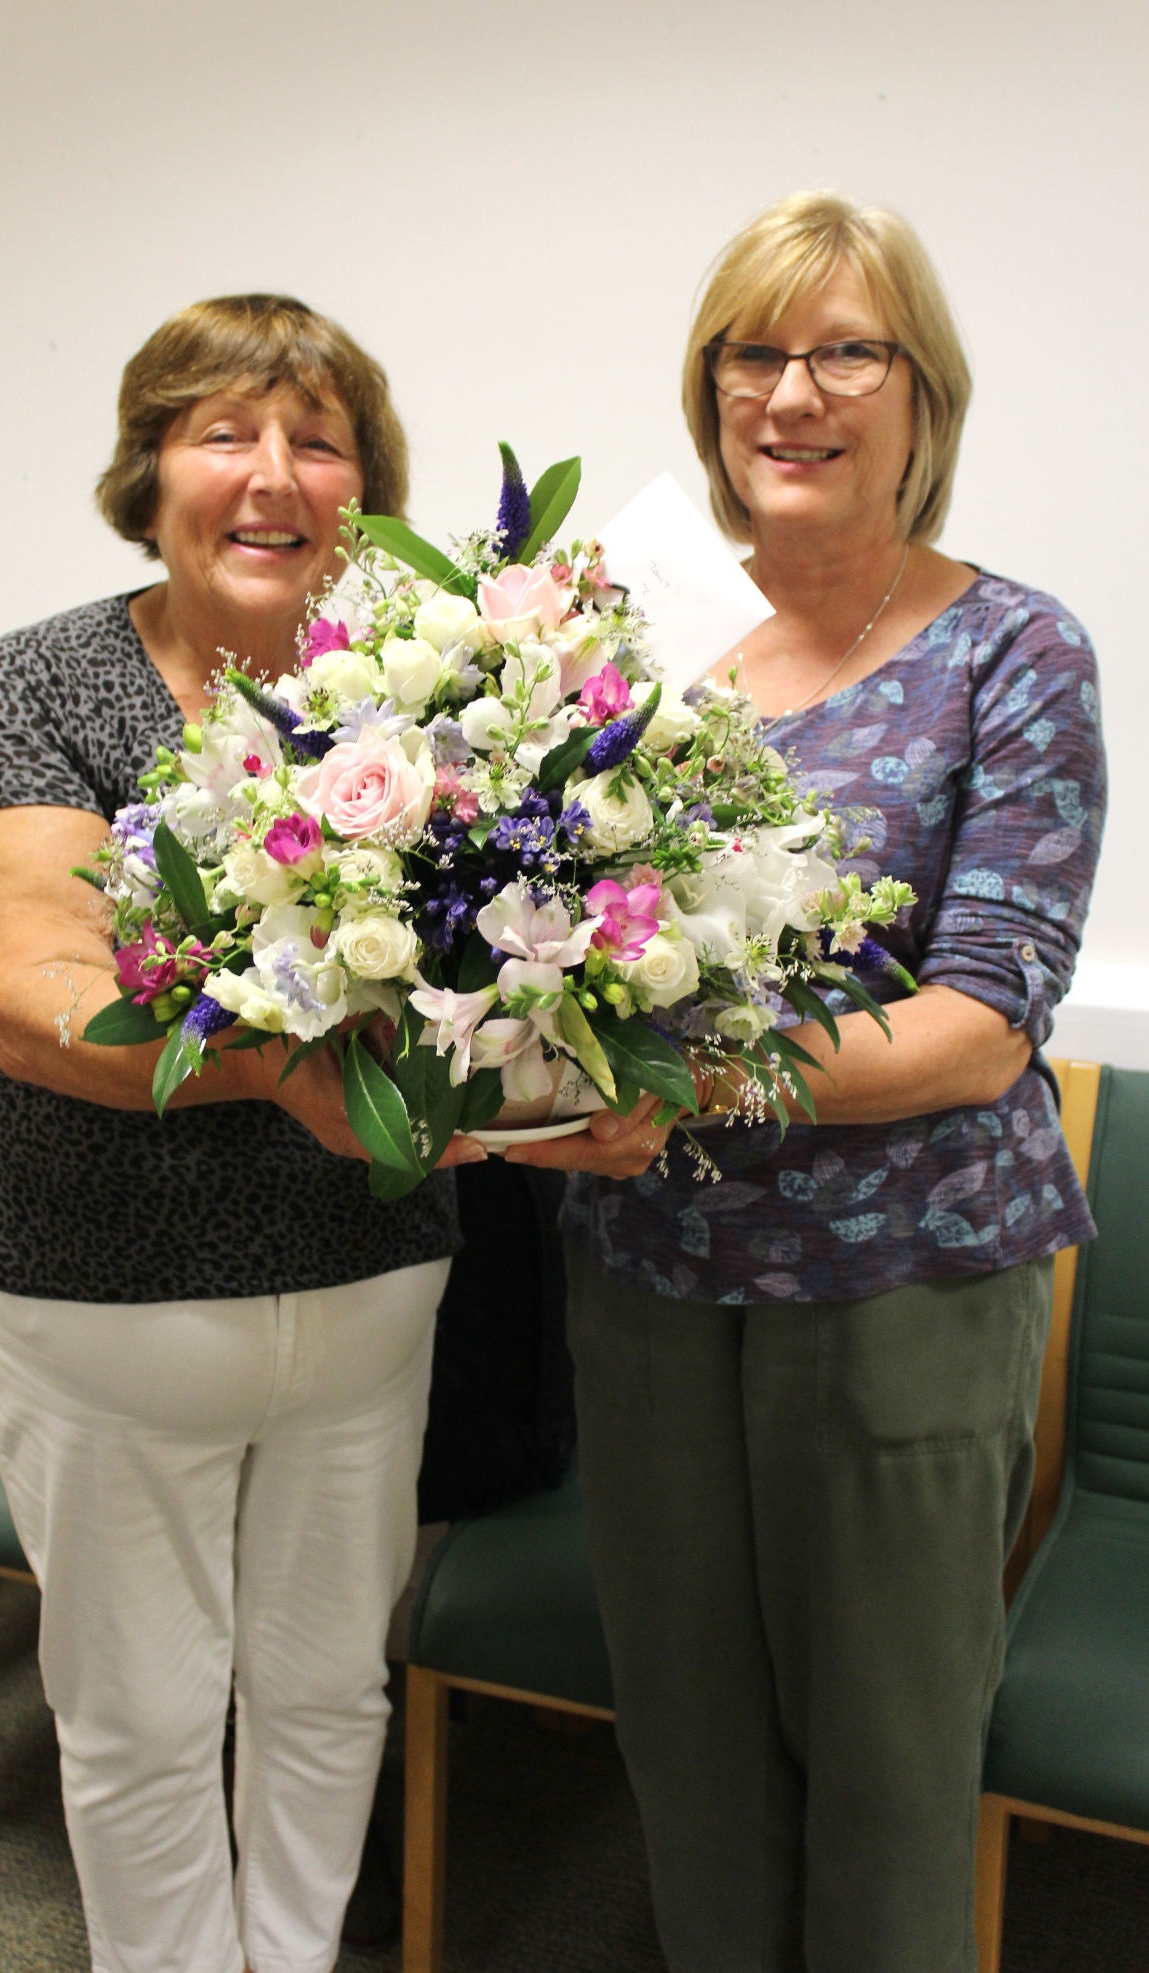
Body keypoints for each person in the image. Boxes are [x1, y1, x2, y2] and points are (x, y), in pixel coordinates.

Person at [511, 193, 1106, 1971]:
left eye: (846, 350)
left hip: (902, 1279)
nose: (793, 392)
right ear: (707, 394)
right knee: (685, 1750)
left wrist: (684, 1086)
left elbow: (985, 1020)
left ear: (923, 395)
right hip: (645, 1277)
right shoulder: (628, 651)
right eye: (751, 353)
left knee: (884, 1763)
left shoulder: (1013, 649)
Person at [0, 293, 485, 1973]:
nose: (272, 476)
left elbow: (517, 967)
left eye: (317, 440)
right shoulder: (45, 682)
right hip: (104, 1301)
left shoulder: (441, 696)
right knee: (143, 1712)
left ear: (364, 485)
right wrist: (285, 1076)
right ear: (149, 467)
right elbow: (38, 1000)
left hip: (368, 1290)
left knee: (326, 1683)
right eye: (223, 432)